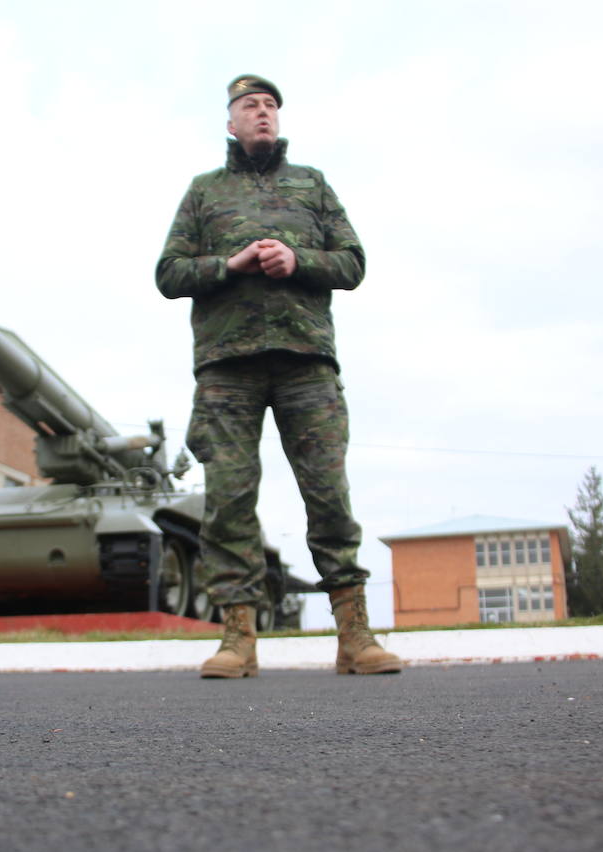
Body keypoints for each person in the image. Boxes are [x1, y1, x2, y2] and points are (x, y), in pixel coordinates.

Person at [156, 75, 402, 678]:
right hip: (226, 369)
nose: (262, 113)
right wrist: (229, 263)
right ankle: (238, 640)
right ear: (231, 123)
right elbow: (169, 273)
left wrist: (298, 261)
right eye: (249, 106)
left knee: (328, 495)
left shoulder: (311, 184)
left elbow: (353, 262)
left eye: (270, 106)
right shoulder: (203, 192)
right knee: (229, 502)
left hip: (305, 363)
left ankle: (354, 637)